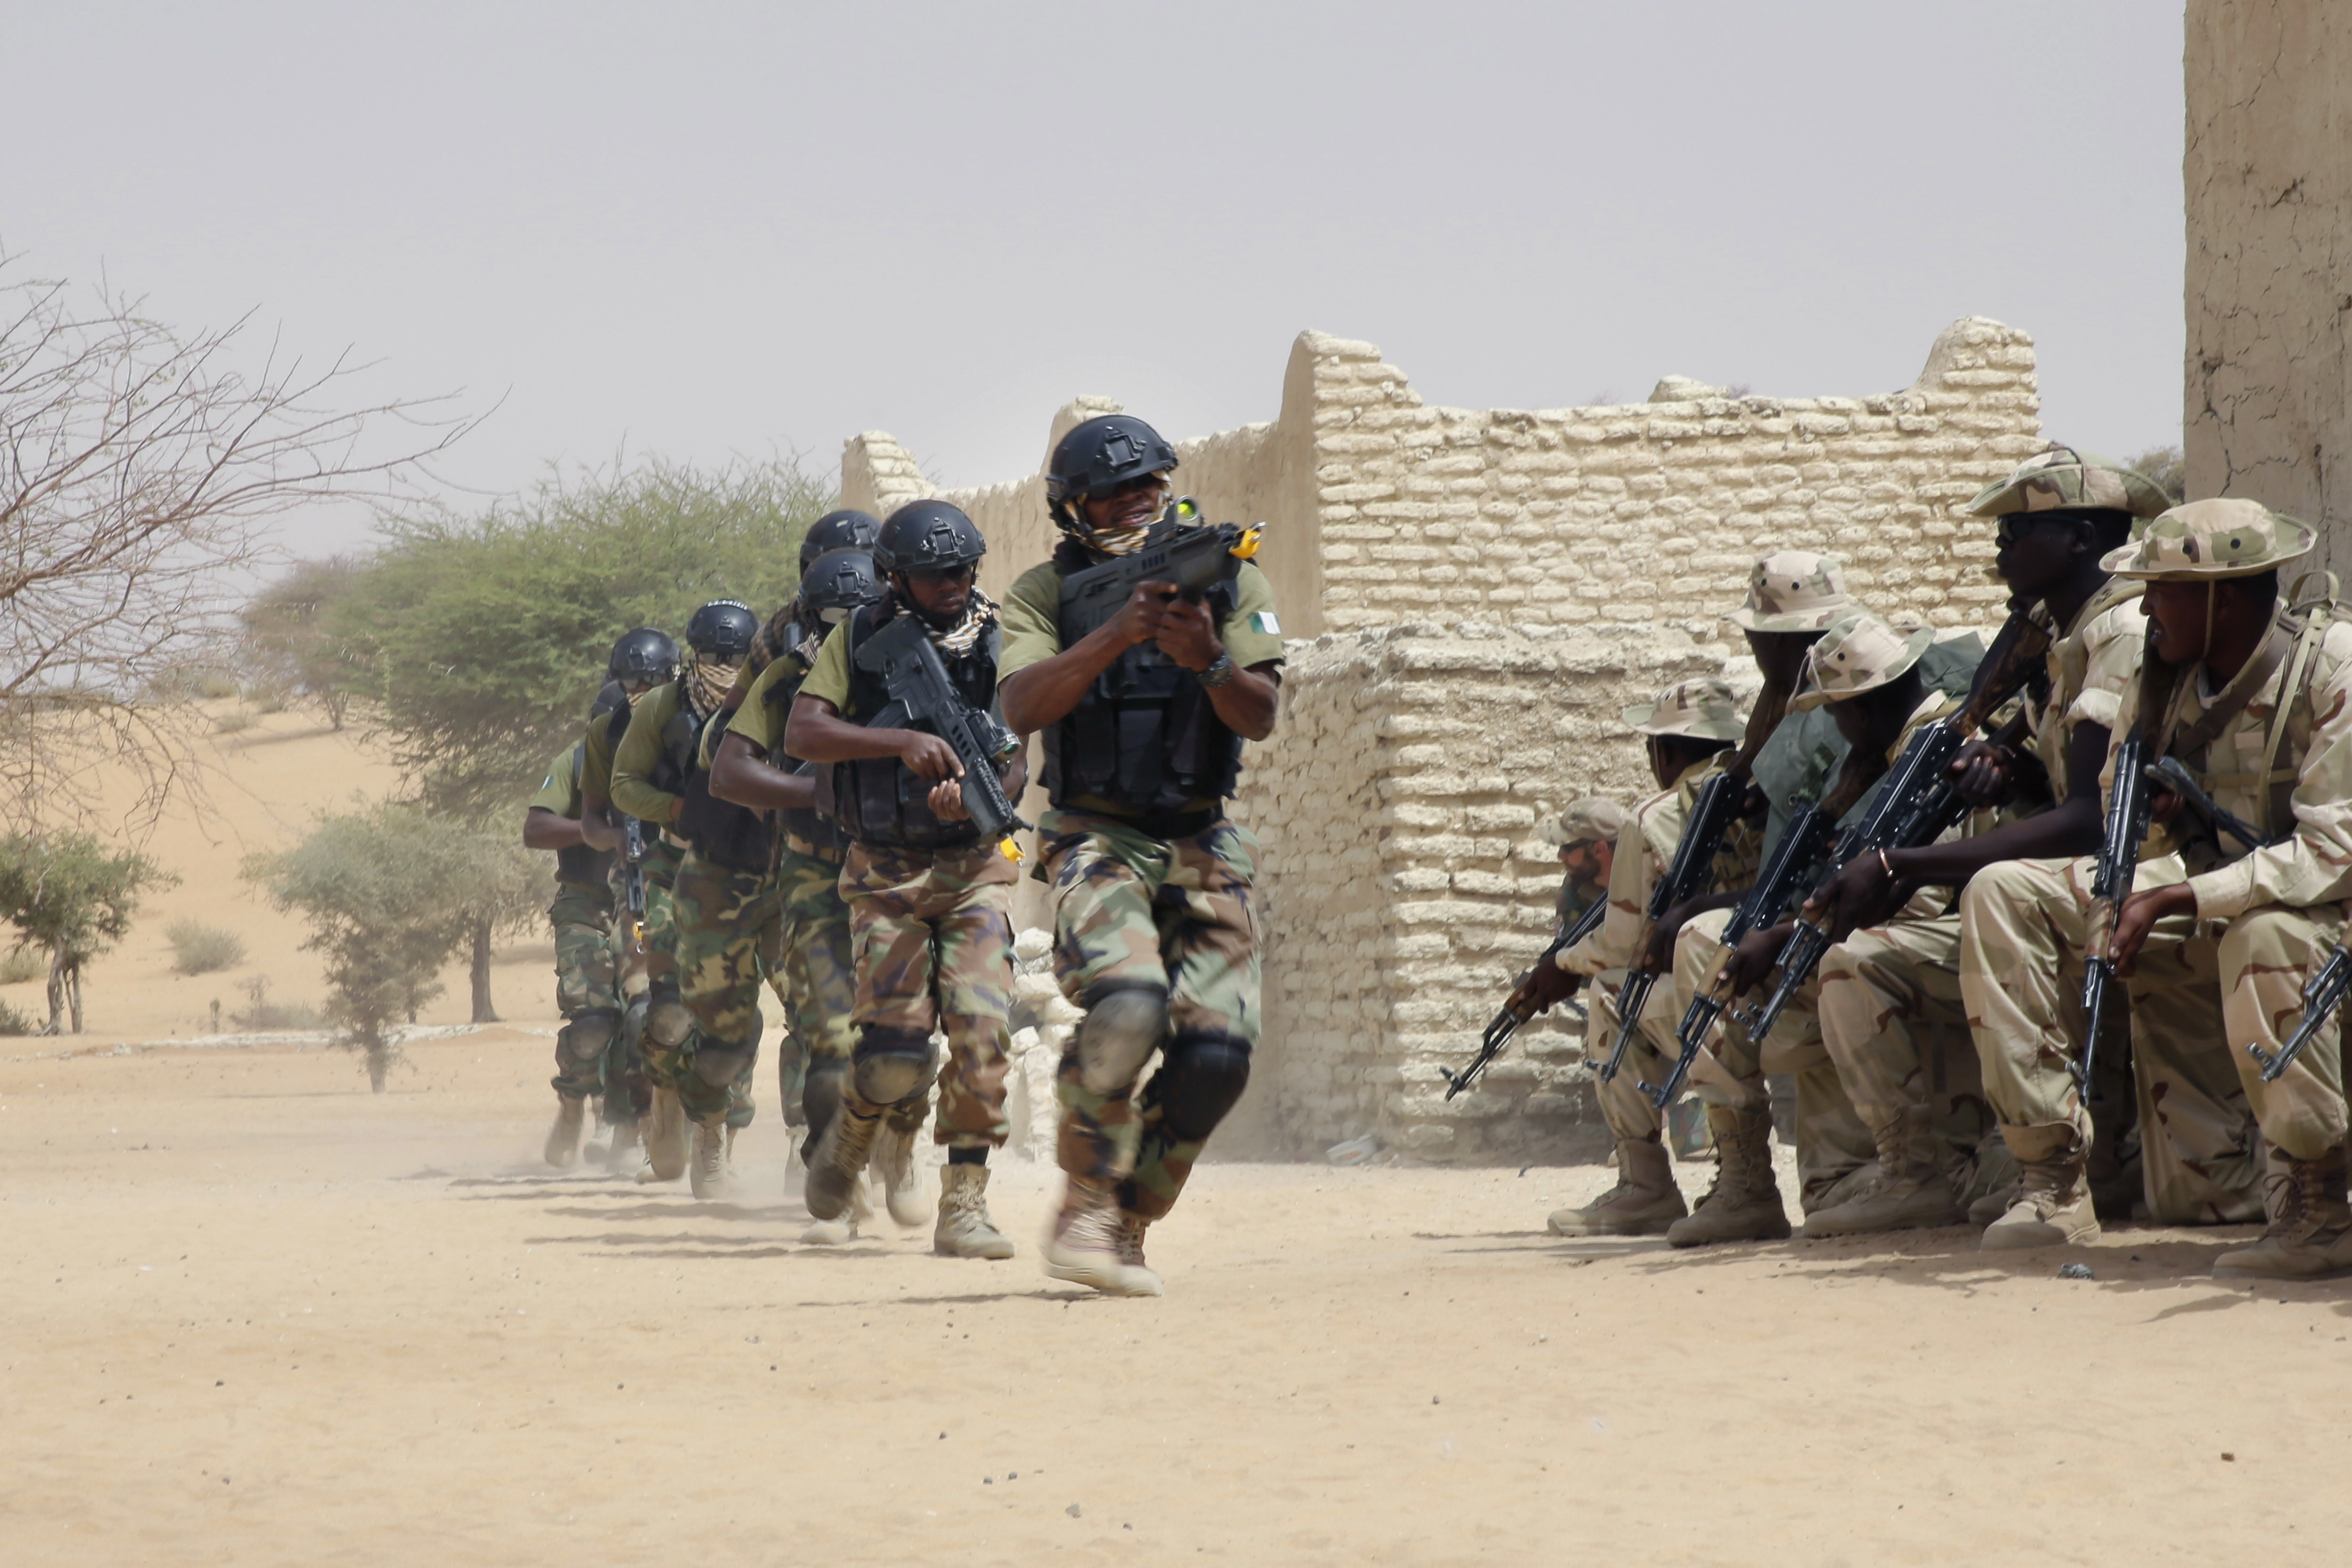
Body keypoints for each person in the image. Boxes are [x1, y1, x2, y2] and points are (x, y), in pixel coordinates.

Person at [1961, 499, 2352, 1277]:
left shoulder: (2331, 666)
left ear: (2223, 593)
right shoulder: (2162, 677)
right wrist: (2161, 832)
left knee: (2264, 932)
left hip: (2319, 913)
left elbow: (2331, 852)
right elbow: (2117, 818)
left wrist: (2180, 896)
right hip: (2218, 884)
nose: (2144, 607)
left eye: (2162, 589)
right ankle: (2051, 1176)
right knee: (2004, 890)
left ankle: (2321, 1204)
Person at [1803, 447, 2167, 1237]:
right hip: (2077, 881)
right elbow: (2058, 784)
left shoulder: (2120, 631)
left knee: (1995, 891)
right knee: (1855, 960)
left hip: (2147, 875)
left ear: (2077, 538)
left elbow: (2090, 818)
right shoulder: (2054, 641)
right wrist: (2007, 764)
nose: (1999, 550)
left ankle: (2054, 1179)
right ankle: (1914, 1170)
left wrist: (1902, 861)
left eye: (2017, 531)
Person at [996, 414, 1286, 1296]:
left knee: (1217, 1057)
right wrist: (1117, 634)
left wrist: (1205, 660)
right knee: (1128, 1005)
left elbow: (1261, 714)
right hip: (1095, 833)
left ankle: (1128, 1218)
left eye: (1150, 486)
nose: (1138, 502)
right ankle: (1084, 1200)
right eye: (1115, 493)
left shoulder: (1227, 574)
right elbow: (1021, 706)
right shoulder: (1044, 593)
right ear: (1073, 509)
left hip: (1202, 834)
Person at [784, 501, 1028, 1260]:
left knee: (985, 1033)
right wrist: (900, 742)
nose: (953, 583)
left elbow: (1021, 745)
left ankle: (965, 1201)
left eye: (963, 570)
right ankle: (856, 1132)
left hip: (973, 868)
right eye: (934, 574)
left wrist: (991, 793)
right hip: (886, 870)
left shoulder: (1000, 634)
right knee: (895, 1049)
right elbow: (804, 731)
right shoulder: (858, 638)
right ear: (897, 577)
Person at [712, 546, 930, 1243]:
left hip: (906, 869)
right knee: (829, 1037)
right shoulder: (784, 683)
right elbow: (728, 774)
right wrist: (822, 791)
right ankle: (833, 1175)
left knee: (910, 1031)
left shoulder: (930, 661)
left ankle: (901, 1145)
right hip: (812, 870)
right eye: (830, 619)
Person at [1531, 683, 1743, 1236]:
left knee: (1610, 990)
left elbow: (1623, 944)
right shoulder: (1765, 788)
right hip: (1784, 978)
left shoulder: (1653, 817)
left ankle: (1652, 1187)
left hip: (1729, 998)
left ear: (1663, 753)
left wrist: (1560, 966)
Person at [611, 599, 761, 1186]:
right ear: (691, 654)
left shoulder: (771, 697)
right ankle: (667, 1096)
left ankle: (714, 1136)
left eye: (735, 655)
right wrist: (676, 809)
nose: (723, 665)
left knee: (739, 1014)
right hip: (674, 868)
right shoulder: (661, 708)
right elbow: (625, 786)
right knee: (670, 1008)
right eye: (711, 655)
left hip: (750, 872)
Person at [575, 626, 679, 1166]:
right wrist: (616, 839)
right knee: (643, 1004)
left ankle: (713, 1127)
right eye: (629, 679)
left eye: (651, 679)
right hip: (639, 886)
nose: (639, 688)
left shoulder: (689, 725)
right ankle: (642, 1119)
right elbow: (590, 821)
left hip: (706, 877)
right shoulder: (606, 732)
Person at [524, 736, 618, 1167]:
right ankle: (574, 1105)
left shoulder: (673, 751)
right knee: (592, 1020)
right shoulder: (578, 761)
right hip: (585, 905)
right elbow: (536, 829)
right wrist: (594, 832)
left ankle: (622, 1119)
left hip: (644, 907)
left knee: (649, 1010)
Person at [1553, 797, 1624, 938]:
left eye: (1567, 848)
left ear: (1599, 849)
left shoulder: (1646, 886)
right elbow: (1563, 940)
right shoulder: (1576, 881)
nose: (1560, 855)